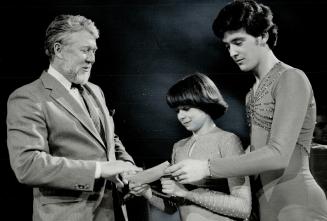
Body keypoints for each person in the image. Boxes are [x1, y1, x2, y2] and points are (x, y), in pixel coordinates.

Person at [165, 0, 327, 220]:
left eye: (238, 42)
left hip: (297, 203)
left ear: (263, 36)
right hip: (264, 206)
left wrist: (207, 167)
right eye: (227, 45)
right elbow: (255, 152)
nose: (232, 52)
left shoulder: (291, 78)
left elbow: (278, 155)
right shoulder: (252, 93)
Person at [6, 14, 141, 221]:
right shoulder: (27, 97)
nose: (92, 59)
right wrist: (99, 169)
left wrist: (127, 165)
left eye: (94, 51)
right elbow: (27, 165)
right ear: (58, 50)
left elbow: (109, 139)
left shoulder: (95, 90)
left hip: (114, 212)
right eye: (85, 50)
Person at [130, 73, 252, 221]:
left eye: (186, 108)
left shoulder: (228, 140)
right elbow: (173, 206)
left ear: (204, 103)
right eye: (177, 111)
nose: (180, 116)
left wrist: (187, 193)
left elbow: (243, 208)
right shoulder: (179, 147)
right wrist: (147, 192)